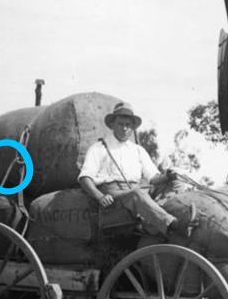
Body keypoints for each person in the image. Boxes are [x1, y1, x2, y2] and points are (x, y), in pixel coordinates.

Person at [78, 102, 182, 239]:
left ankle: (155, 220)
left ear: (132, 127)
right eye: (121, 124)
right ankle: (174, 225)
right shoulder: (99, 148)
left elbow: (153, 178)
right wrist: (100, 196)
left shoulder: (138, 150)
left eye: (128, 125)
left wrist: (168, 175)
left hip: (138, 191)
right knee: (136, 194)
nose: (125, 128)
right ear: (113, 125)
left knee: (176, 183)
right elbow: (85, 178)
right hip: (114, 195)